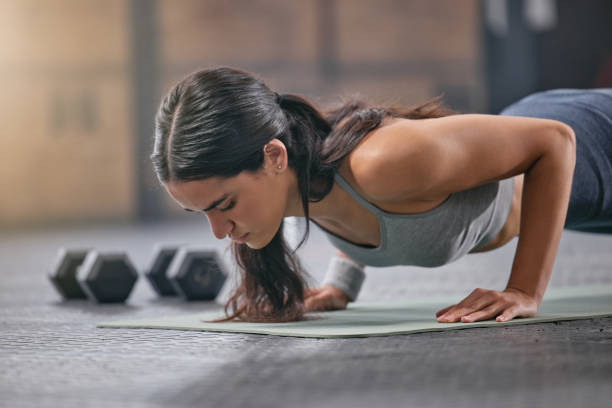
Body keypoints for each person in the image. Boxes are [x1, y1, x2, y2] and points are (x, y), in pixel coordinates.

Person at [151, 66, 612, 323]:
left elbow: (555, 141)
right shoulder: (302, 180)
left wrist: (523, 290)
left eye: (224, 204)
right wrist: (340, 286)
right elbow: (355, 213)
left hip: (590, 146)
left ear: (274, 157)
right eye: (200, 213)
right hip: (576, 190)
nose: (217, 232)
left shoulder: (382, 163)